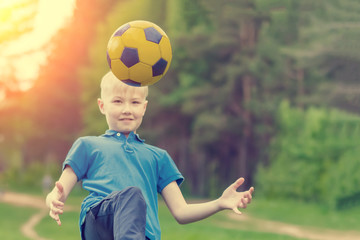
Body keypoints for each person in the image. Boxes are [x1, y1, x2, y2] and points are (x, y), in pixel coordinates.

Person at [46, 71, 255, 240]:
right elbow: (60, 190)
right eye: (118, 101)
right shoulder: (88, 145)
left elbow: (181, 212)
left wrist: (219, 203)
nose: (127, 109)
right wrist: (53, 198)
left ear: (144, 107)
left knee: (133, 202)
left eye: (135, 103)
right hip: (100, 221)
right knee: (132, 196)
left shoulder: (158, 157)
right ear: (102, 105)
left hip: (142, 234)